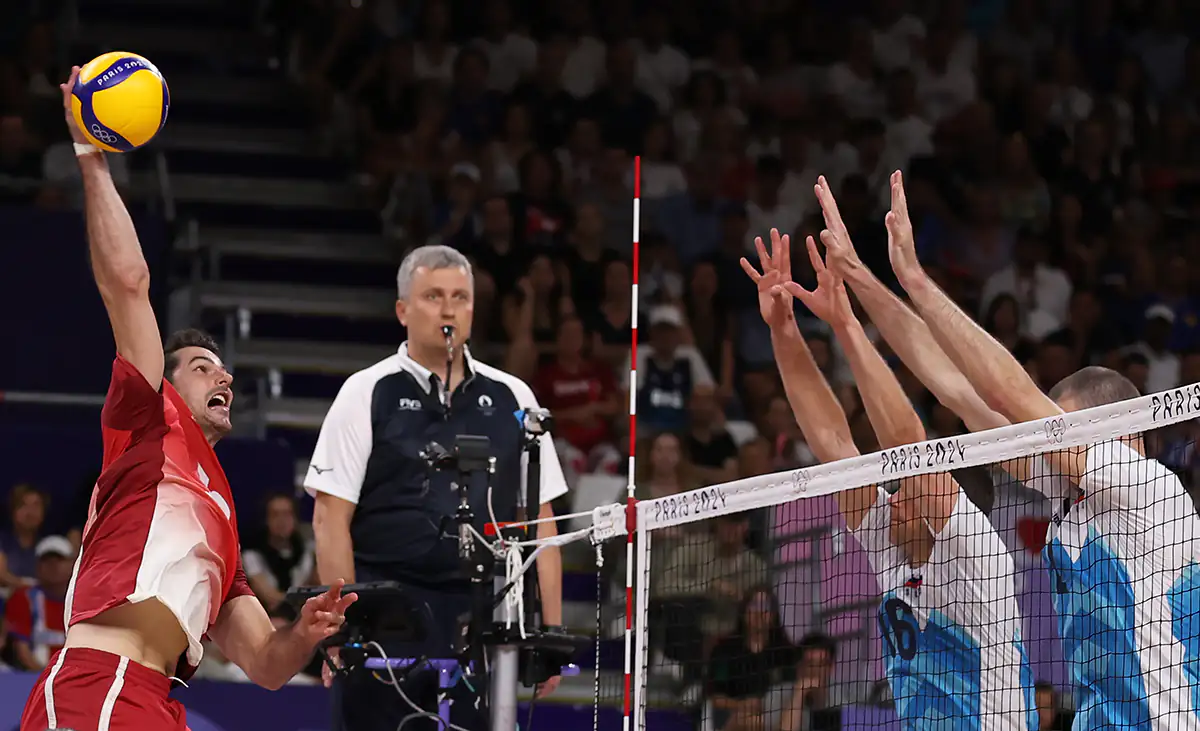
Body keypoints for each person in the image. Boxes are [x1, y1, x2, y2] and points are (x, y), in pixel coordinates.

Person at [19, 68, 356, 731]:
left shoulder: (222, 513)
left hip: (159, 700)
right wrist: (91, 156)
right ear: (167, 383)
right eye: (203, 367)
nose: (222, 377)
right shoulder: (148, 421)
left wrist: (304, 631)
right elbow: (128, 283)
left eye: (225, 370)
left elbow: (265, 664)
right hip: (99, 684)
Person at [882, 169, 1200, 730]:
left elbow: (1013, 394)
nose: (1051, 441)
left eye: (1062, 428)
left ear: (1122, 430)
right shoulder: (1068, 493)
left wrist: (921, 283)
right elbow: (962, 394)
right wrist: (862, 290)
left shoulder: (1148, 485)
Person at [741, 227, 1035, 730]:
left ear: (947, 508)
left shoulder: (978, 554)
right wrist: (783, 329)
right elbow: (835, 448)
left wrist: (846, 323)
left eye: (907, 495)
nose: (894, 498)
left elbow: (907, 446)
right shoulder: (894, 550)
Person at [306, 244, 569, 731]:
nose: (448, 310)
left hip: (483, 619)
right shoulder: (366, 391)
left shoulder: (514, 397)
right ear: (402, 310)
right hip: (385, 620)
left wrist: (549, 630)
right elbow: (330, 518)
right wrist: (341, 629)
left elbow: (542, 521)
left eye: (460, 297)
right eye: (433, 296)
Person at [5, 536, 74, 670]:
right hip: (33, 676)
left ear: (72, 564)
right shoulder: (25, 597)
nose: (53, 566)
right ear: (37, 566)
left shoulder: (83, 600)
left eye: (59, 560)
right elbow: (22, 651)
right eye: (46, 561)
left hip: (75, 676)